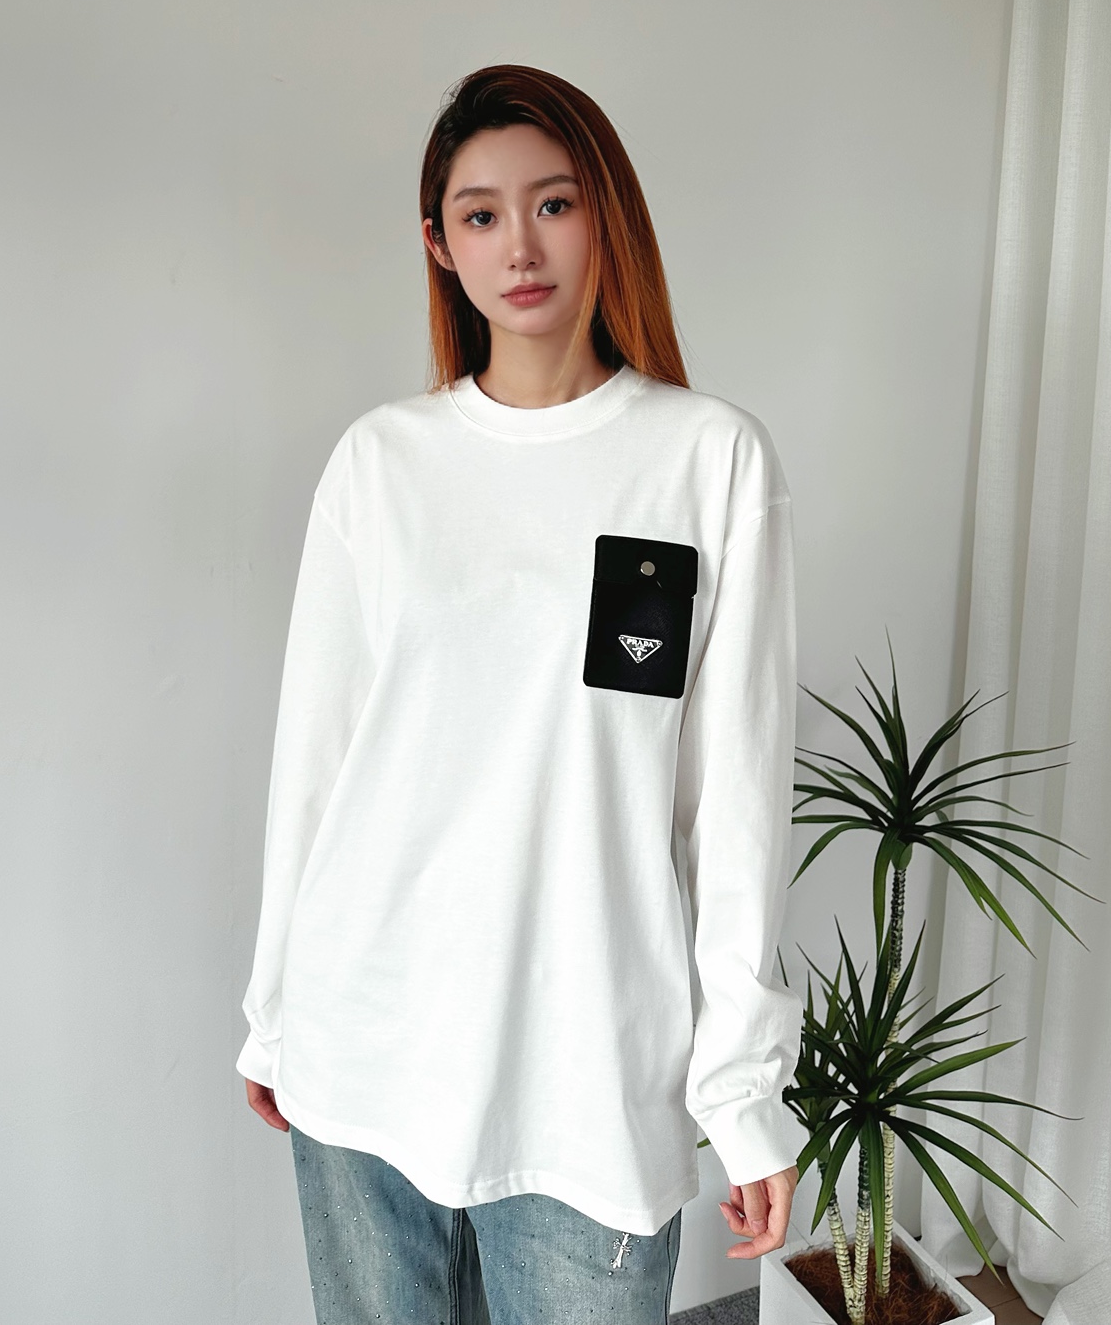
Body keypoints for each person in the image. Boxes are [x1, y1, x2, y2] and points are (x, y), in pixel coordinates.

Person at [240, 65, 802, 1325]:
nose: (520, 245)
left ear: (605, 214)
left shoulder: (705, 458)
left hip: (580, 1080)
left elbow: (734, 809)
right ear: (438, 244)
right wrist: (274, 1014)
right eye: (480, 214)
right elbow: (315, 763)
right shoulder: (382, 463)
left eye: (552, 202)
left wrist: (741, 1090)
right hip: (366, 1046)